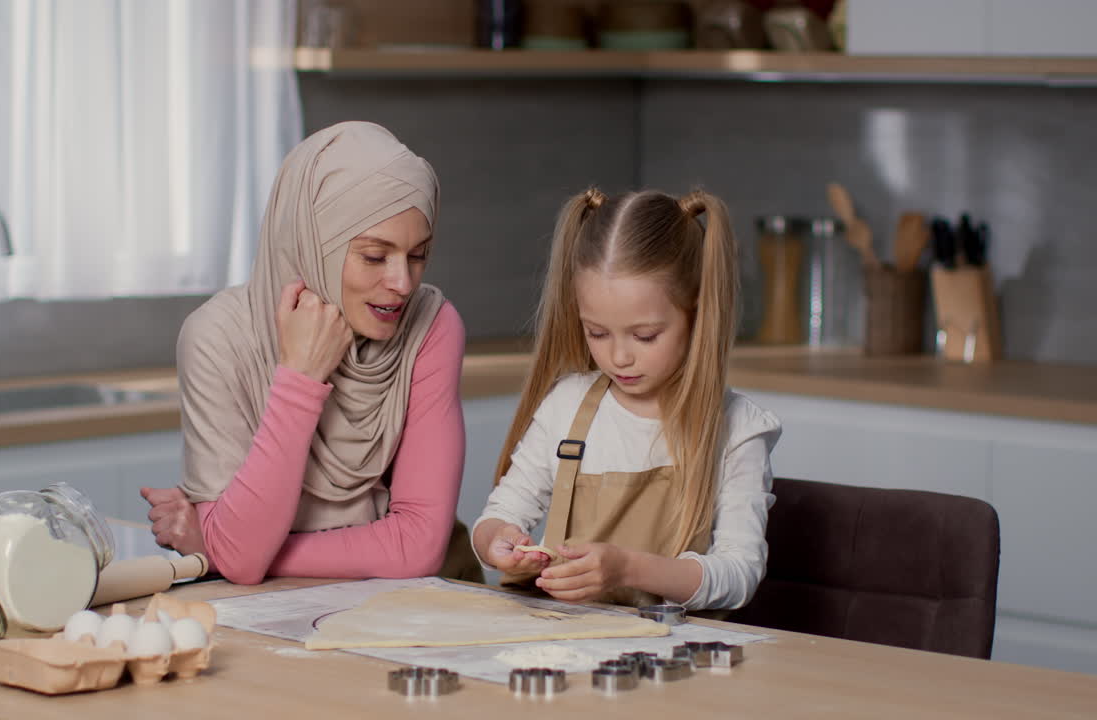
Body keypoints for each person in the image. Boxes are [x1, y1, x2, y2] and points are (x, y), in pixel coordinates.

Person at [141, 121, 481, 585]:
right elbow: (241, 559)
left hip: (417, 606)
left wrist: (225, 547)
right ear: (312, 243)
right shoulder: (217, 338)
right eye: (375, 256)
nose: (403, 283)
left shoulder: (432, 327)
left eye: (418, 255)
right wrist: (300, 377)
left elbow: (418, 547)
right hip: (265, 613)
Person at [471, 187, 781, 610]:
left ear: (698, 312)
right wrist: (497, 540)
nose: (618, 356)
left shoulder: (739, 428)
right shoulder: (568, 404)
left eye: (645, 335)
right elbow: (499, 514)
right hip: (560, 643)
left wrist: (626, 569)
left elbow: (739, 574)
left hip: (670, 658)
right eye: (596, 332)